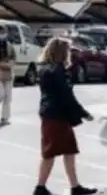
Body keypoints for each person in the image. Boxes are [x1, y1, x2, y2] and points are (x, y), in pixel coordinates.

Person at [35, 37, 97, 195]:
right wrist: (83, 113)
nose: (70, 53)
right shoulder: (59, 70)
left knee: (65, 150)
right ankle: (41, 187)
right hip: (58, 115)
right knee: (53, 152)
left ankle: (73, 186)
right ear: (62, 52)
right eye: (68, 50)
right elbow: (67, 96)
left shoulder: (44, 68)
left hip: (50, 113)